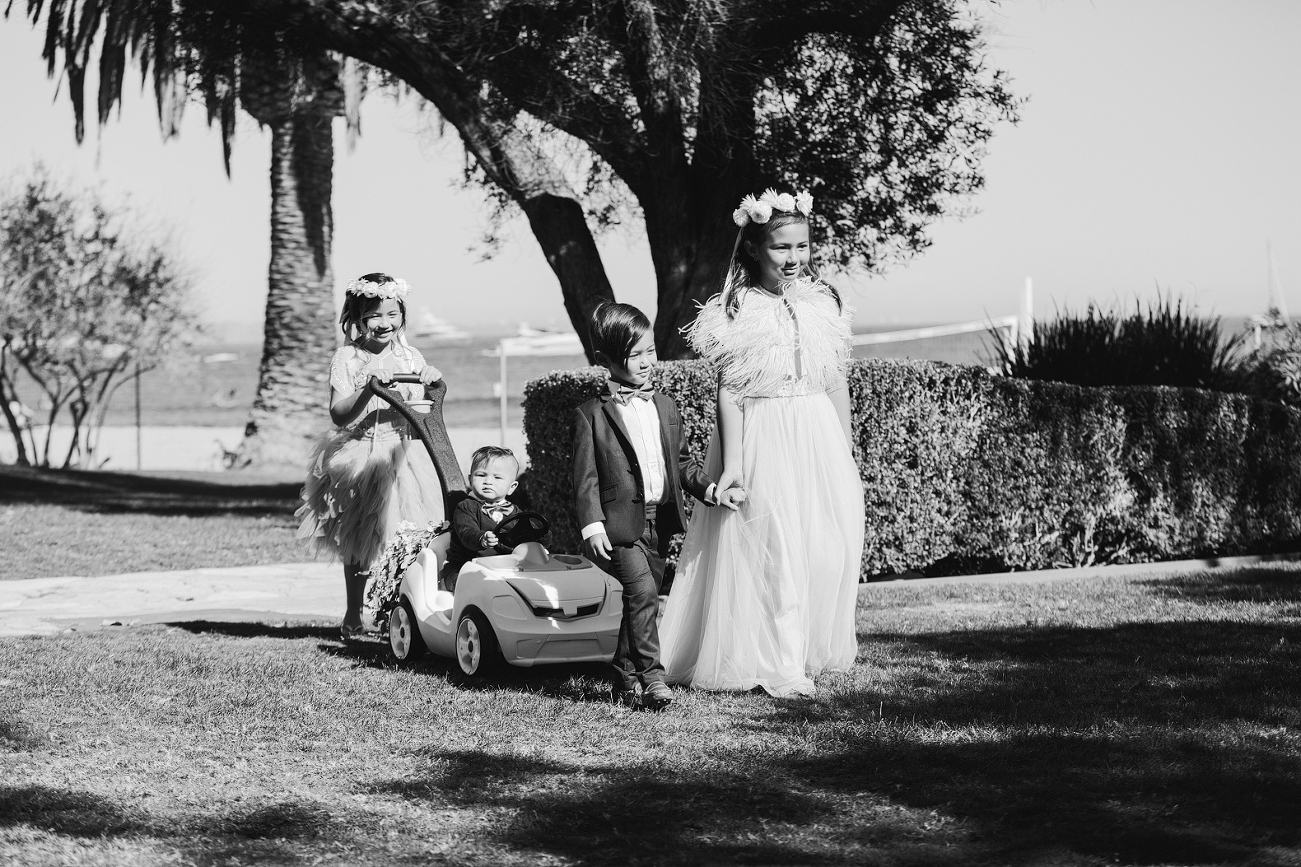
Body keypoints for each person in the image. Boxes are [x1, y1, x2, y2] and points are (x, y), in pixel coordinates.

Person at [659, 189, 866, 697]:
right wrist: (732, 465)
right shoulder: (737, 309)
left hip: (816, 432)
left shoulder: (824, 303)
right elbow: (730, 394)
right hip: (765, 435)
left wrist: (844, 451)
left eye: (802, 246)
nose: (794, 258)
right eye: (781, 248)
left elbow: (834, 379)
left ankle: (807, 648)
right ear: (755, 248)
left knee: (825, 549)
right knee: (776, 551)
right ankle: (783, 665)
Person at [572, 302, 739, 711]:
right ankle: (652, 679)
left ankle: (623, 676)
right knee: (643, 591)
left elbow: (681, 464)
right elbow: (584, 478)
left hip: (658, 522)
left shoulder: (664, 406)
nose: (647, 361)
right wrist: (592, 526)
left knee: (641, 599)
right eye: (635, 354)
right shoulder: (590, 414)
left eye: (651, 350)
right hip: (616, 527)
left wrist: (714, 490)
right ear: (605, 361)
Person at [296, 273, 445, 640]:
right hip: (361, 454)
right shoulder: (348, 357)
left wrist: (431, 379)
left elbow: (426, 406)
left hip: (407, 453)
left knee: (410, 538)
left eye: (392, 314)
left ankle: (401, 611)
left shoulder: (411, 356)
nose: (385, 323)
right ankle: (353, 611)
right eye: (375, 316)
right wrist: (367, 388)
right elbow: (339, 413)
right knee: (362, 539)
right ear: (357, 317)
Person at [444, 445, 523, 585]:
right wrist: (481, 538)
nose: (488, 482)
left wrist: (541, 538)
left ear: (511, 488)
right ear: (470, 480)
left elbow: (525, 534)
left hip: (503, 569)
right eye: (481, 475)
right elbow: (466, 532)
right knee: (473, 583)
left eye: (497, 477)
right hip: (466, 566)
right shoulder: (466, 507)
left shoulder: (515, 512)